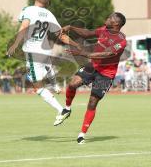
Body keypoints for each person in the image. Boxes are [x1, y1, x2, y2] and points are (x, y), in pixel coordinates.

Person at [7, 0, 80, 123]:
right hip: (45, 51)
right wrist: (75, 45)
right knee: (46, 66)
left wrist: (15, 44)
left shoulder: (28, 10)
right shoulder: (49, 14)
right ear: (47, 3)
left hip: (33, 53)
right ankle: (55, 85)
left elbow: (24, 26)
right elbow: (61, 35)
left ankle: (62, 110)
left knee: (37, 86)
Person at [54, 12, 127, 144]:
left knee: (92, 102)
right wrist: (71, 27)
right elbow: (88, 33)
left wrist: (83, 53)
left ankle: (82, 134)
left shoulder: (121, 40)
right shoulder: (104, 29)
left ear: (116, 23)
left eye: (111, 18)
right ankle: (67, 108)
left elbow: (107, 53)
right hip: (93, 66)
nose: (107, 18)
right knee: (72, 84)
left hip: (106, 74)